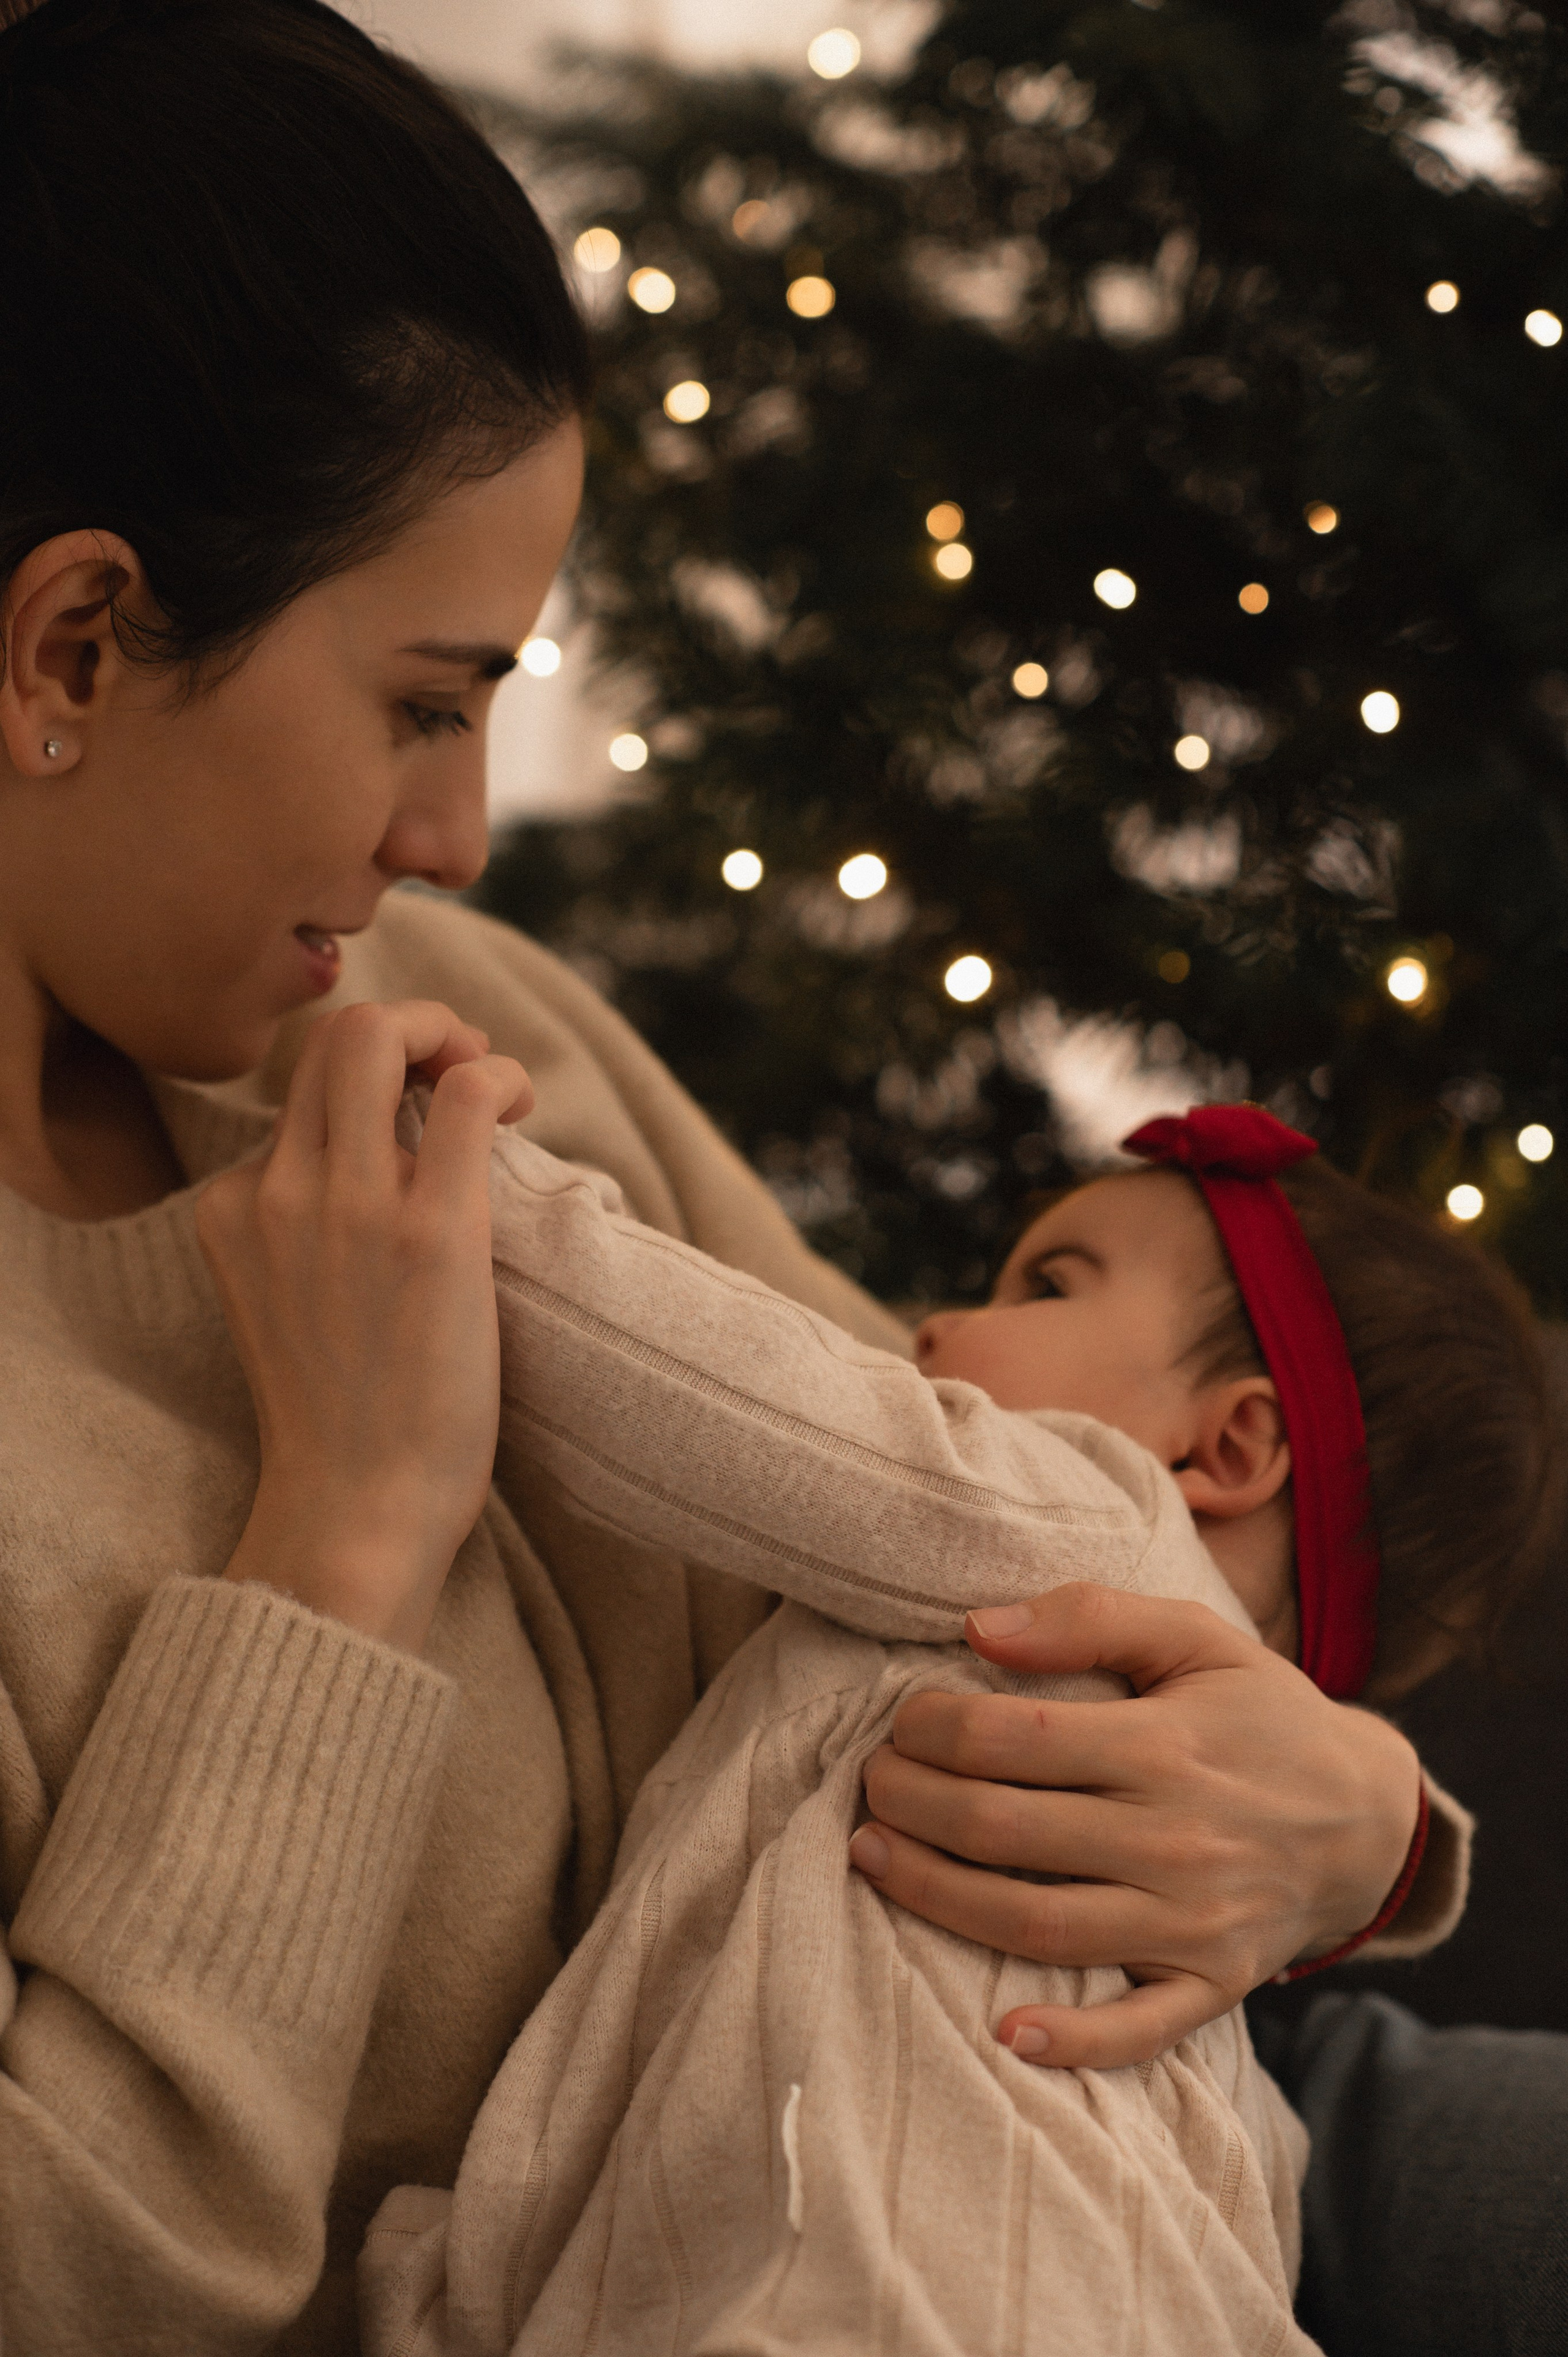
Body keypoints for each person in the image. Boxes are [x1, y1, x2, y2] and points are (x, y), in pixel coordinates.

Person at [0, 1, 1521, 2348]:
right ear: (73, 644)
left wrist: (1350, 1823)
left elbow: (956, 1491)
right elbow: (72, 2269)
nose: (455, 834)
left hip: (1125, 2082)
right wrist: (343, 1536)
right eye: (425, 700)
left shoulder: (439, 999)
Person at [349, 1099, 1556, 2355]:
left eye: (1044, 1285)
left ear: (1224, 1446)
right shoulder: (1235, 2042)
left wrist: (450, 1164)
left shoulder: (1097, 1514)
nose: (932, 1325)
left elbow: (717, 1383)